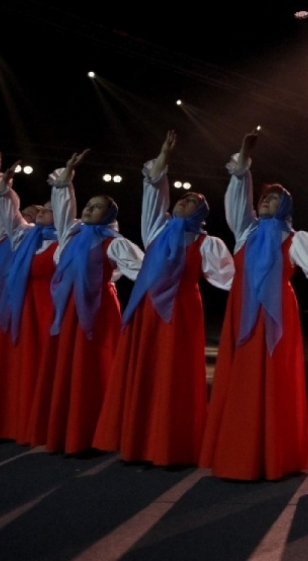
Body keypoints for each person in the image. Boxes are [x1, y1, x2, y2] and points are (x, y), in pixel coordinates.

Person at [200, 133, 308, 481]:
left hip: (276, 313)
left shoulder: (295, 239)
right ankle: (238, 453)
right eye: (265, 198)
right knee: (241, 380)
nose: (266, 202)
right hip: (242, 312)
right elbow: (237, 199)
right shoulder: (245, 233)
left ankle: (274, 453)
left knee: (274, 380)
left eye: (275, 198)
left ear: (285, 206)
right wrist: (243, 163)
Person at [93, 131, 235, 467]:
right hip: (147, 309)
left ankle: (171, 446)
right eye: (182, 199)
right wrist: (163, 158)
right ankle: (139, 442)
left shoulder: (207, 243)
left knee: (173, 376)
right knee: (146, 372)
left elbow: (231, 278)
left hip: (181, 310)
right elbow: (154, 192)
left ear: (201, 212)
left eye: (192, 202)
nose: (184, 203)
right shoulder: (156, 230)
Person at [31, 149, 145, 454]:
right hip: (67, 309)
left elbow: (144, 270)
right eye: (89, 205)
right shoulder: (70, 234)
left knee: (91, 368)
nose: (90, 210)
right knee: (66, 367)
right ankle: (65, 431)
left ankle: (94, 433)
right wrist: (67, 177)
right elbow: (62, 206)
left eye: (97, 207)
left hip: (97, 309)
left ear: (109, 215)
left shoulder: (113, 242)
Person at [0, 159, 59, 444]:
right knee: (21, 364)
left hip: (50, 307)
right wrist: (5, 188)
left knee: (44, 363)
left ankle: (43, 423)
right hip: (23, 307)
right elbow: (9, 216)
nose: (41, 212)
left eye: (48, 209)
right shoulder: (24, 237)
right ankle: (17, 420)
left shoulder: (68, 240)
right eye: (40, 209)